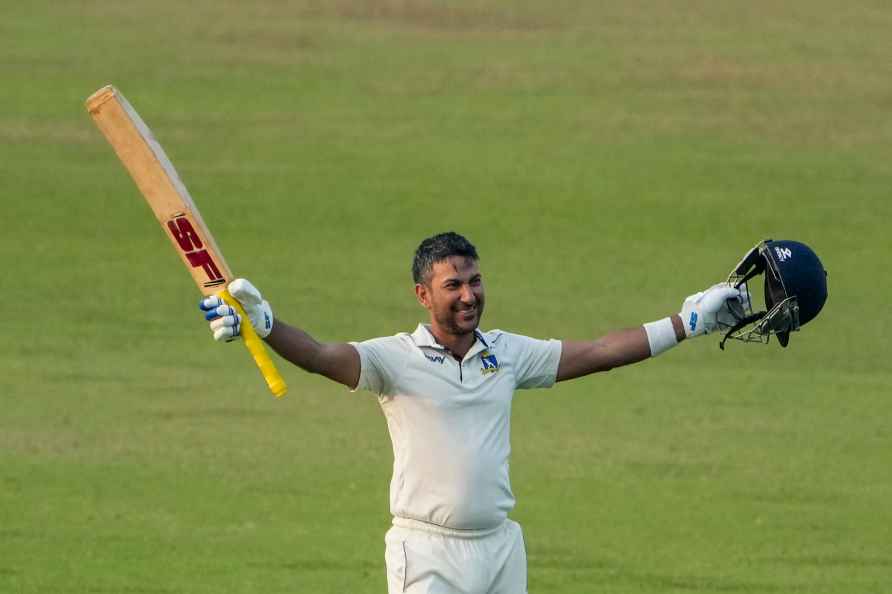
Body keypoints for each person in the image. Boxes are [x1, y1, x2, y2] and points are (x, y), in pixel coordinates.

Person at [199, 231, 742, 594]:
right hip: (427, 552)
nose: (468, 295)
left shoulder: (504, 352)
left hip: (500, 549)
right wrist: (268, 327)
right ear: (422, 294)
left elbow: (599, 353)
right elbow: (322, 356)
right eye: (452, 285)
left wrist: (686, 323)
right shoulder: (397, 358)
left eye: (474, 281)